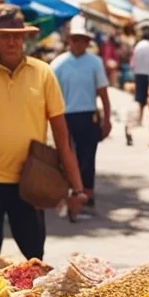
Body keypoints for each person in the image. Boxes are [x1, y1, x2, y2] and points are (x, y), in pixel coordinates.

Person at [0, 5, 86, 259]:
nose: (12, 41)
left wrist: (77, 188)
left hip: (31, 181)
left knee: (34, 260)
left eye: (17, 35)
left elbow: (63, 138)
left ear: (24, 37)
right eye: (4, 35)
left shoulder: (43, 74)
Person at [51, 16, 112, 218]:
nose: (79, 43)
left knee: (87, 158)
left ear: (87, 42)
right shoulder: (58, 65)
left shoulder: (94, 62)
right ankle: (69, 196)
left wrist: (107, 119)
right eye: (75, 39)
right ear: (69, 41)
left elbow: (103, 92)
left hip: (87, 115)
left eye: (83, 40)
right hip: (64, 116)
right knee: (67, 158)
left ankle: (87, 196)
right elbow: (50, 95)